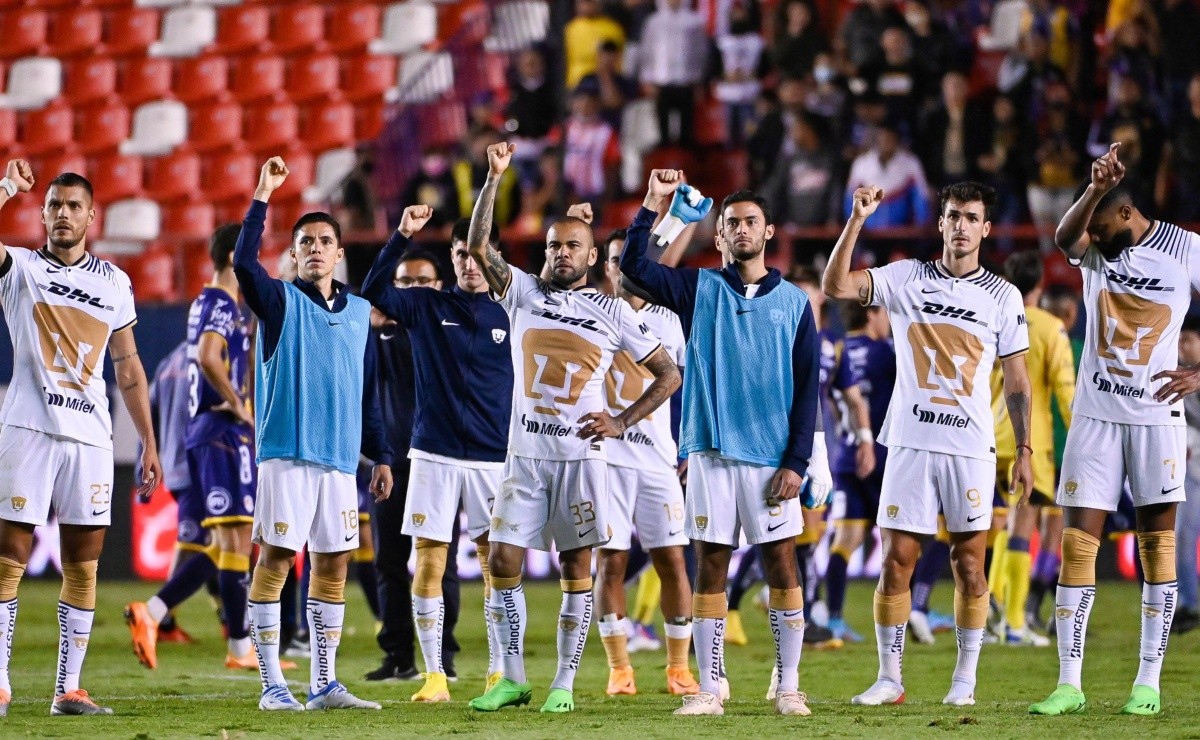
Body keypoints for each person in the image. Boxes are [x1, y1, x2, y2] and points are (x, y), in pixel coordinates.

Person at [465, 142, 680, 715]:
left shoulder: (613, 313)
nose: (562, 253)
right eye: (555, 245)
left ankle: (562, 682)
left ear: (591, 256)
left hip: (582, 461)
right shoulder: (523, 294)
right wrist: (493, 178)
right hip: (525, 457)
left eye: (573, 246)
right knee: (503, 562)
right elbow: (480, 246)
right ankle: (511, 679)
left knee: (576, 568)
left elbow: (669, 374)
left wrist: (621, 420)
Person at [622, 173, 829, 717]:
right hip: (711, 455)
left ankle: (788, 685)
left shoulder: (795, 303)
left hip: (771, 460)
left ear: (769, 232)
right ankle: (710, 688)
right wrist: (654, 206)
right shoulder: (698, 289)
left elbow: (809, 386)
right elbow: (633, 269)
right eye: (731, 222)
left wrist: (798, 463)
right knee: (710, 567)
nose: (741, 230)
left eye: (750, 222)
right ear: (719, 236)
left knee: (782, 567)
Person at [824, 180, 1034, 707]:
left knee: (969, 563)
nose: (960, 226)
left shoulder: (1003, 296)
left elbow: (1017, 382)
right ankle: (890, 678)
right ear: (939, 224)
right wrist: (856, 222)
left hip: (970, 448)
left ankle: (964, 680)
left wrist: (1026, 450)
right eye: (953, 216)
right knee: (897, 558)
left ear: (986, 228)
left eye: (971, 217)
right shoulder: (906, 277)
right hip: (911, 443)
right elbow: (835, 285)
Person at [1029, 143, 1200, 717]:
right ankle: (1069, 684)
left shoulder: (1185, 250)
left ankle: (1147, 684)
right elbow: (1063, 239)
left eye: (1104, 227)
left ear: (1129, 215)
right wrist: (1095, 189)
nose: (1095, 240)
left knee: (1159, 549)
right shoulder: (1095, 248)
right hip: (1096, 417)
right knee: (1078, 547)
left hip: (1157, 417)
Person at [0, 161, 162, 716]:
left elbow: (129, 365)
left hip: (91, 437)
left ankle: (68, 689)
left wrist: (148, 440)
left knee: (84, 563)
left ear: (91, 216)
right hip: (28, 428)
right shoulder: (19, 269)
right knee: (10, 557)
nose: (63, 214)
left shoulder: (114, 282)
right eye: (54, 206)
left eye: (73, 206)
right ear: (42, 214)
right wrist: (5, 188)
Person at [234, 157, 393, 712]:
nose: (316, 249)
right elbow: (242, 262)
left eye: (325, 240)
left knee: (333, 565)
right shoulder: (279, 301)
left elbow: (364, 391)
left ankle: (324, 683)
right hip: (289, 454)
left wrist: (381, 456)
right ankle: (272, 684)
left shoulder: (357, 314)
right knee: (277, 559)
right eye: (306, 242)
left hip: (340, 460)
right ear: (296, 252)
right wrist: (263, 195)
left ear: (340, 253)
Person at [361, 213, 513, 702]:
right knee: (428, 560)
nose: (471, 263)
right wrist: (402, 235)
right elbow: (374, 289)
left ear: (495, 258)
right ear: (453, 258)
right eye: (463, 253)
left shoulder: (517, 311)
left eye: (480, 253)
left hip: (494, 459)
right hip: (433, 455)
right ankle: (433, 677)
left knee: (497, 567)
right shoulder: (427, 305)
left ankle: (498, 672)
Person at [127, 224, 264, 670]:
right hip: (222, 433)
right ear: (233, 259)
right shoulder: (222, 304)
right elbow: (208, 356)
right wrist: (237, 402)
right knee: (236, 539)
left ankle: (238, 647)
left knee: (225, 542)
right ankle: (157, 611)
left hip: (202, 440)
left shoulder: (206, 303)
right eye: (250, 258)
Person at [596, 227, 698, 698]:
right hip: (607, 460)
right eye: (615, 260)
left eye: (629, 260)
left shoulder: (669, 320)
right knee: (611, 563)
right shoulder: (591, 314)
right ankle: (620, 670)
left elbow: (688, 386)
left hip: (658, 460)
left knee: (672, 561)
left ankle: (678, 669)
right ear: (605, 267)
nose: (622, 268)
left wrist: (689, 446)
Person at [363, 252, 461, 683]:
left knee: (442, 562)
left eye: (423, 279)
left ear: (440, 286)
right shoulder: (374, 335)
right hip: (390, 464)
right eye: (404, 281)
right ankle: (399, 656)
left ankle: (443, 655)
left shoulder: (450, 335)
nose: (413, 287)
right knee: (388, 563)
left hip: (438, 463)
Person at [986, 250, 1075, 647]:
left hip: (987, 437)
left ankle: (992, 605)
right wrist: (1082, 437)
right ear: (1039, 285)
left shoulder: (991, 319)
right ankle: (1016, 624)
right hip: (1028, 442)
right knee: (1022, 528)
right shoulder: (1050, 328)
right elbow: (1065, 391)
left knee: (999, 525)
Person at [824, 299, 894, 643]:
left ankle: (834, 618)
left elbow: (842, 405)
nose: (889, 320)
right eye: (885, 313)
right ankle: (906, 615)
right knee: (902, 540)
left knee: (846, 540)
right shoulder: (886, 353)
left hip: (847, 455)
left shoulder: (837, 348)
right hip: (881, 454)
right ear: (871, 313)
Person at [144, 341, 208, 644]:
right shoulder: (208, 358)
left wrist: (142, 470)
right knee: (200, 544)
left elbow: (150, 418)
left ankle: (229, 619)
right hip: (201, 465)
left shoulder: (167, 362)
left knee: (212, 542)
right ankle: (160, 617)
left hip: (172, 466)